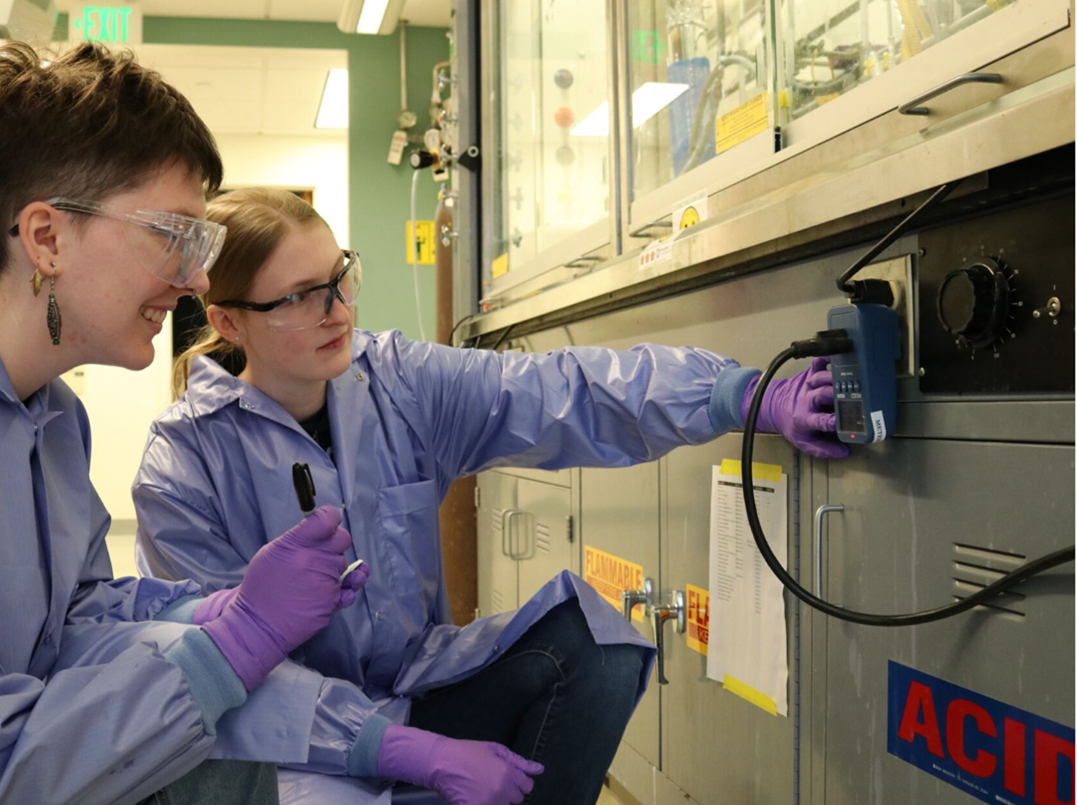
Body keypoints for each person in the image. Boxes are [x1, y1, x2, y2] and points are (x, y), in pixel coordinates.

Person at [132, 189, 848, 805]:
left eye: (339, 278)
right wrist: (403, 749)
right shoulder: (185, 462)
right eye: (298, 298)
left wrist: (736, 395)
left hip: (414, 684)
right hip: (286, 746)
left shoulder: (396, 383)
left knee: (595, 644)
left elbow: (561, 390)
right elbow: (219, 679)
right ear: (229, 322)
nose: (336, 310)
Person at [0, 43, 369, 805]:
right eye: (176, 237)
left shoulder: (52, 413)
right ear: (47, 238)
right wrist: (234, 643)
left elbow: (75, 620)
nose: (198, 280)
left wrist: (217, 609)